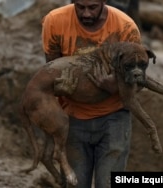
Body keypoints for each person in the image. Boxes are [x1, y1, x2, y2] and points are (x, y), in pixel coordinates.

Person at [41, 0, 141, 187]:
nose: (86, 14)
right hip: (72, 118)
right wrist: (60, 88)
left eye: (92, 7)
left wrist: (117, 86)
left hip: (114, 118)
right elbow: (51, 69)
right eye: (80, 7)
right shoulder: (55, 22)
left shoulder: (125, 27)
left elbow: (139, 81)